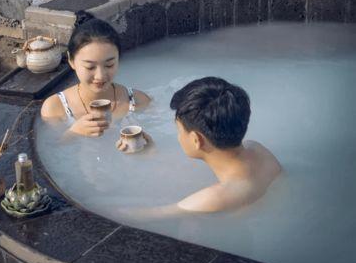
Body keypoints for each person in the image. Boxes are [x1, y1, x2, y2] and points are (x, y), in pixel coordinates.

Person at [169, 77, 281, 213]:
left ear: (196, 140)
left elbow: (150, 218)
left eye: (179, 130)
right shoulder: (257, 149)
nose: (178, 136)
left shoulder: (212, 199)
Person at [41, 13, 151, 137]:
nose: (100, 76)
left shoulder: (139, 101)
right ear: (71, 61)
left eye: (109, 65)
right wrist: (73, 132)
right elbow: (54, 146)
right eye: (90, 67)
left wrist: (148, 146)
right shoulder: (55, 108)